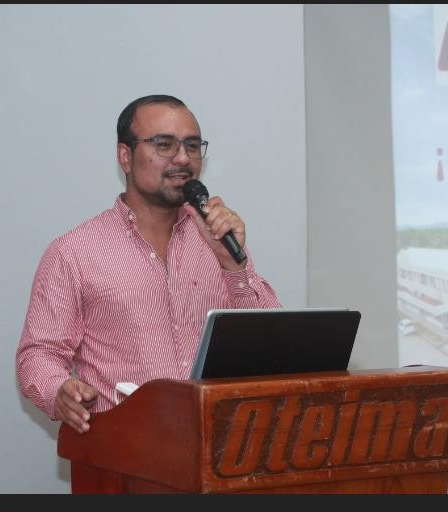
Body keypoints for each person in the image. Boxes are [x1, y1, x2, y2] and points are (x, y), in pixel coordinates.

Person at [16, 94, 281, 434]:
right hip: (126, 449)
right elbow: (38, 353)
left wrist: (234, 268)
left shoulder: (218, 242)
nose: (183, 158)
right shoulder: (74, 252)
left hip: (219, 446)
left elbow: (271, 347)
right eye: (164, 145)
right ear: (125, 156)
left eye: (192, 146)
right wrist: (59, 391)